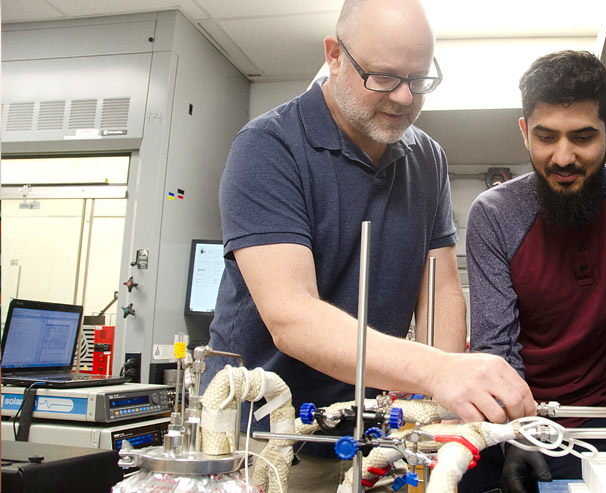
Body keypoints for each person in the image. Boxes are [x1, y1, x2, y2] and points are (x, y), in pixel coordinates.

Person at [203, 0, 535, 491]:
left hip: (371, 433)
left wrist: (436, 411)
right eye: (382, 77)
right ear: (335, 55)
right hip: (264, 436)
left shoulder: (428, 159)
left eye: (419, 79)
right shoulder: (268, 147)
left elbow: (440, 290)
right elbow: (291, 317)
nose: (403, 97)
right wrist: (439, 370)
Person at [461, 50, 606, 492]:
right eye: (546, 137)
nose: (563, 157)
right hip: (524, 427)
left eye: (582, 137)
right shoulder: (494, 214)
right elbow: (495, 346)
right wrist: (519, 433)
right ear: (525, 133)